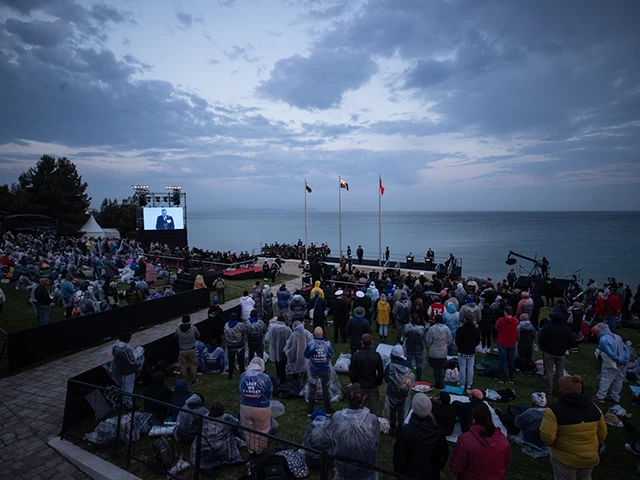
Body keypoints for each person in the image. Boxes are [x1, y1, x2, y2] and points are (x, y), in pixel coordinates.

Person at [540, 375, 607, 479]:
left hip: (565, 459)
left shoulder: (554, 411)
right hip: (590, 458)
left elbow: (548, 438)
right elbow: (602, 435)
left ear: (562, 390)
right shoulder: (595, 409)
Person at [330, 383, 380, 480]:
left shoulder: (337, 417)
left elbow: (333, 440)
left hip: (343, 466)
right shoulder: (372, 419)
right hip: (365, 467)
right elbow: (376, 443)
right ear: (364, 398)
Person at [393, 393, 449, 480]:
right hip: (430, 474)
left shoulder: (406, 431)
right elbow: (443, 455)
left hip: (411, 474)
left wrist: (399, 472)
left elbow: (399, 456)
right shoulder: (438, 431)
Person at [450, 403, 512, 480]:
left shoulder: (465, 440)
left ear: (473, 419)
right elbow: (507, 462)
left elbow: (456, 468)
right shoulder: (503, 440)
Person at [193, 400, 243, 471]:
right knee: (231, 434)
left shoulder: (204, 416)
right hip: (219, 448)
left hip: (203, 448)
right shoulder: (226, 417)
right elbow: (238, 426)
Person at [239, 357, 273, 455]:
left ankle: (251, 448)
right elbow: (269, 393)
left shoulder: (243, 376)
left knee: (248, 428)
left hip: (245, 406)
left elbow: (240, 390)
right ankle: (259, 449)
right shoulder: (265, 378)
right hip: (261, 407)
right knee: (262, 429)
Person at [591, 322, 630, 404]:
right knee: (619, 380)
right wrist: (625, 359)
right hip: (623, 363)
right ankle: (615, 397)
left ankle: (600, 396)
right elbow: (626, 349)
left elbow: (610, 353)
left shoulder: (603, 339)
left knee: (606, 379)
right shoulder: (617, 336)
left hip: (611, 364)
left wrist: (618, 360)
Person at [539, 313, 573, 397]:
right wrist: (565, 348)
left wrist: (544, 348)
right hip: (561, 353)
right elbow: (571, 341)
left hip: (549, 352)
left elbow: (541, 339)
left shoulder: (547, 328)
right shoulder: (567, 329)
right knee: (560, 372)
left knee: (549, 371)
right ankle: (561, 390)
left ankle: (548, 391)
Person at [384, 344, 415, 436]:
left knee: (392, 409)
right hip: (404, 391)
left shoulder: (390, 365)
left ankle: (393, 427)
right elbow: (411, 378)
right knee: (402, 408)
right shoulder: (408, 366)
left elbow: (386, 377)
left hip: (392, 391)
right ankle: (400, 427)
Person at [349, 333, 383, 416]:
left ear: (361, 343)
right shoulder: (376, 355)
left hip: (360, 384)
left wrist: (355, 383)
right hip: (372, 385)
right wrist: (378, 382)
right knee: (374, 410)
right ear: (371, 342)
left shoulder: (356, 355)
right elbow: (381, 371)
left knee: (357, 410)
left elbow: (352, 371)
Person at [304, 327, 335, 415]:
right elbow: (331, 355)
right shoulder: (327, 344)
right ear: (322, 334)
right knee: (326, 388)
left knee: (312, 389)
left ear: (314, 334)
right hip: (325, 369)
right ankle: (328, 409)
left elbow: (306, 355)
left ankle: (310, 410)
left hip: (313, 369)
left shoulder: (311, 344)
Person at [111, 332, 138, 409]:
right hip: (129, 370)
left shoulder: (115, 347)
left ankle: (123, 401)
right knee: (129, 387)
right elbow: (132, 360)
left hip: (121, 369)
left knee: (123, 386)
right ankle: (129, 405)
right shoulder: (126, 349)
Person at [426, 314, 453, 389]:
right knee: (440, 368)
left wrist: (431, 345)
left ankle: (436, 382)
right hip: (443, 351)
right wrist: (445, 344)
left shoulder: (432, 329)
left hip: (434, 351)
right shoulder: (446, 328)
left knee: (435, 368)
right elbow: (450, 339)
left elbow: (428, 340)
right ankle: (440, 381)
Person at [456, 314, 481, 389]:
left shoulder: (460, 329)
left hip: (462, 350)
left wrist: (460, 346)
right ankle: (469, 383)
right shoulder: (476, 330)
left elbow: (457, 340)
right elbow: (478, 340)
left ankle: (462, 384)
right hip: (471, 351)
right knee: (470, 368)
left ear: (465, 320)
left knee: (462, 367)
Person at [175, 314, 201, 386]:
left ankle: (184, 380)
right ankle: (194, 379)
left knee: (183, 365)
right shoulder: (193, 328)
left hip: (182, 350)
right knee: (193, 365)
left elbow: (175, 336)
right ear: (189, 320)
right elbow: (198, 335)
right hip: (191, 349)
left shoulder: (178, 329)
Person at [495, 306, 518, 384]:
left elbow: (496, 327)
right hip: (512, 342)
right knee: (511, 360)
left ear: (505, 312)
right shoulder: (515, 321)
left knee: (502, 360)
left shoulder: (501, 320)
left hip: (502, 341)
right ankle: (511, 377)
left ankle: (500, 376)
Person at [265, 316, 291, 383]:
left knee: (277, 363)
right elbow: (291, 339)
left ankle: (278, 376)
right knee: (283, 363)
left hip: (275, 349)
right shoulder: (287, 329)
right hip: (284, 350)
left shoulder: (273, 328)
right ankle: (283, 377)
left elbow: (267, 338)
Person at [224, 313, 247, 380]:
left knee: (231, 360)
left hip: (230, 345)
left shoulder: (226, 325)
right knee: (241, 360)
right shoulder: (240, 325)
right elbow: (244, 332)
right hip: (239, 345)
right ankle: (242, 373)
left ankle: (230, 374)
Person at [404, 316, 427, 381]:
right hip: (418, 349)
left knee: (408, 363)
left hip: (409, 348)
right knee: (419, 364)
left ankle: (407, 376)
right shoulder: (421, 329)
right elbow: (423, 338)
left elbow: (405, 336)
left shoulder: (407, 328)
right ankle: (418, 378)